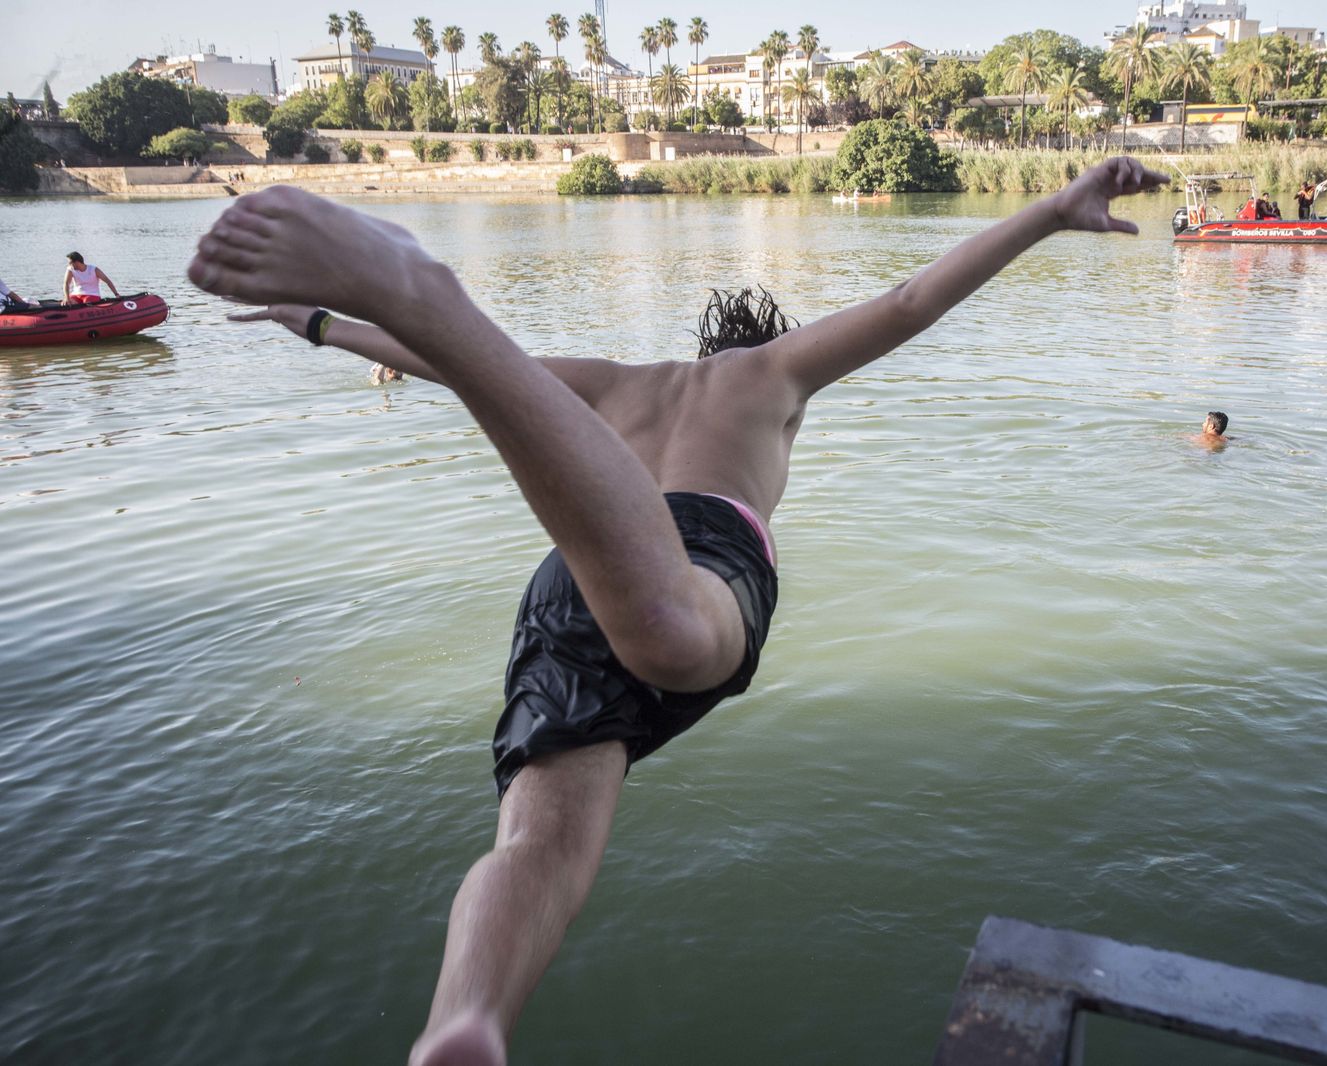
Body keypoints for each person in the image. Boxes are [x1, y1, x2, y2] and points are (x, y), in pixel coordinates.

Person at [187, 156, 1170, 1066]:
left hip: (572, 577)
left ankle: (466, 1019)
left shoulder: (615, 382)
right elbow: (913, 298)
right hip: (688, 555)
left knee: (538, 848)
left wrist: (315, 324)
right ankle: (428, 289)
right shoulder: (773, 371)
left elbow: (434, 368)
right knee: (674, 631)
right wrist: (1049, 212)